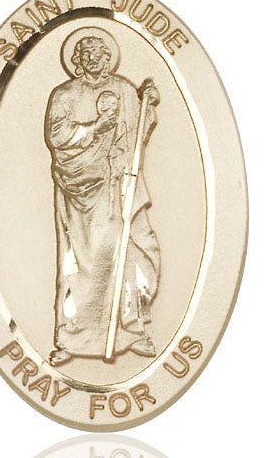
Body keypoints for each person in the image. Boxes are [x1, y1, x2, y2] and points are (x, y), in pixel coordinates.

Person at [44, 34, 161, 366]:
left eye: (100, 53)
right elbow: (57, 135)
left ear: (109, 58)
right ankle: (71, 339)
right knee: (81, 262)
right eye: (88, 53)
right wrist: (96, 127)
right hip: (80, 189)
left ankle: (132, 330)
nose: (95, 58)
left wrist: (148, 104)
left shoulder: (123, 89)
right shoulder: (65, 95)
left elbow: (139, 130)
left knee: (135, 249)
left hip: (119, 185)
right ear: (78, 60)